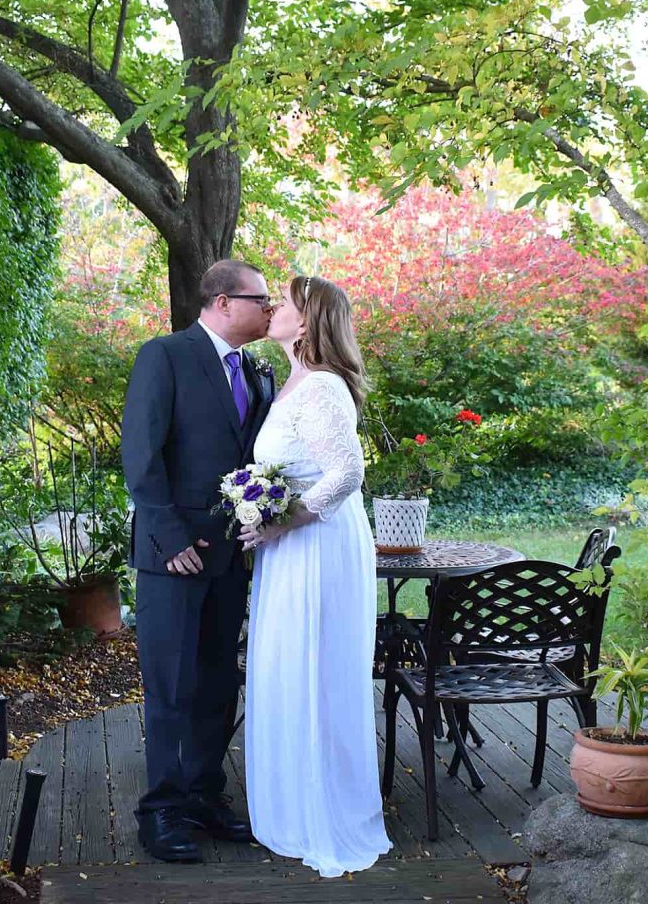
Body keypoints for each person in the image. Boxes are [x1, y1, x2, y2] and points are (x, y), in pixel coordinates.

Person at [120, 260, 276, 863]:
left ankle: (205, 795)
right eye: (259, 299)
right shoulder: (165, 356)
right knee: (170, 685)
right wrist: (168, 538)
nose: (268, 309)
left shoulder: (258, 372)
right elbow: (141, 454)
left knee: (218, 680)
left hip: (233, 558)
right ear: (220, 301)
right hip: (174, 559)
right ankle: (159, 812)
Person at [238, 275, 393, 877]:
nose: (274, 307)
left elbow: (346, 471)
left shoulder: (323, 386)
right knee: (285, 667)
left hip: (317, 543)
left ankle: (324, 812)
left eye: (286, 302)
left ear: (306, 322)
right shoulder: (291, 383)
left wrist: (286, 521)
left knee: (315, 668)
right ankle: (292, 804)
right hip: (291, 546)